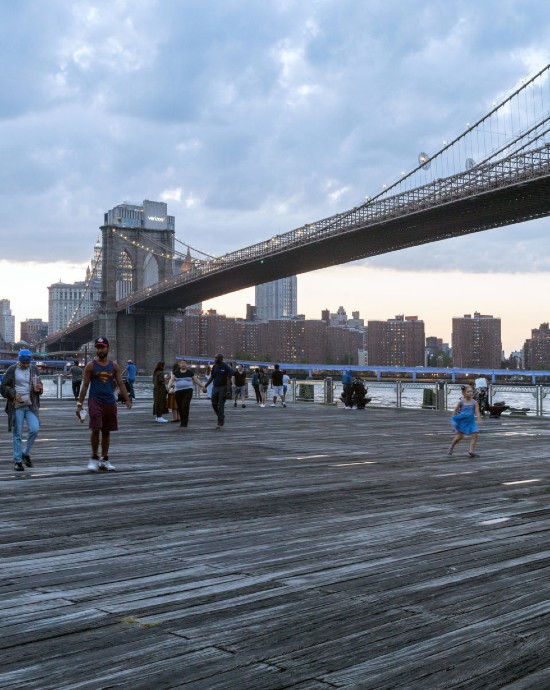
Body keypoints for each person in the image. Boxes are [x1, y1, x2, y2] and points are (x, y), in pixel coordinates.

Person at [76, 337, 131, 472]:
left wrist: (127, 398)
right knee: (95, 428)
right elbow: (84, 386)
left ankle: (104, 460)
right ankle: (94, 458)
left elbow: (120, 383)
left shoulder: (114, 366)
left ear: (108, 348)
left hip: (110, 402)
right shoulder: (91, 366)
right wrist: (79, 404)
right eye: (98, 347)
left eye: (102, 347)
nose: (100, 350)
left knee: (106, 431)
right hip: (95, 400)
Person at [1, 349, 43, 471]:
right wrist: (13, 394)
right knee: (17, 433)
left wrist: (39, 389)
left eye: (27, 363)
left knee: (34, 429)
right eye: (23, 363)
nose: (25, 365)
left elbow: (39, 387)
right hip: (16, 405)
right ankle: (18, 460)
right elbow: (3, 387)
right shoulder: (12, 370)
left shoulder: (34, 369)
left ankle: (25, 452)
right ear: (19, 360)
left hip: (31, 404)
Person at [448, 385, 481, 458]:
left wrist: (478, 417)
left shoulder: (474, 402)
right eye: (468, 391)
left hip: (471, 422)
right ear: (464, 393)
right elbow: (455, 410)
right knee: (459, 437)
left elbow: (477, 411)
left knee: (475, 434)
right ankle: (452, 447)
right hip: (463, 421)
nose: (470, 393)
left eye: (471, 391)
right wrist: (453, 419)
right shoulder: (461, 402)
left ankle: (471, 451)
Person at [167, 359, 203, 427]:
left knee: (185, 405)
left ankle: (185, 422)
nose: (183, 364)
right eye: (182, 363)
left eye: (184, 363)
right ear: (180, 365)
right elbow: (171, 380)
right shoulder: (176, 373)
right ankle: (182, 421)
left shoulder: (190, 372)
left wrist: (203, 386)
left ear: (187, 365)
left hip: (188, 391)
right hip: (178, 392)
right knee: (180, 407)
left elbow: (196, 380)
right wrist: (168, 387)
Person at [202, 354, 233, 428]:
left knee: (221, 404)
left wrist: (228, 391)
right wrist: (205, 386)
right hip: (215, 387)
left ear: (221, 359)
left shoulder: (226, 367)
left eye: (217, 358)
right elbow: (212, 377)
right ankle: (221, 416)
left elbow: (228, 379)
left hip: (223, 387)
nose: (215, 359)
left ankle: (220, 422)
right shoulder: (215, 367)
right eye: (215, 358)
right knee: (214, 403)